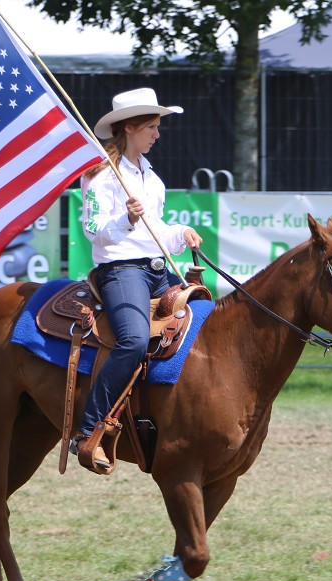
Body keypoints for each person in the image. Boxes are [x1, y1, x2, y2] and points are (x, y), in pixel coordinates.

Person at [73, 88, 202, 471]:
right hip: (120, 269)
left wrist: (181, 235)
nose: (157, 135)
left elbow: (156, 229)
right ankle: (88, 429)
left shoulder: (152, 179)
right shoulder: (100, 175)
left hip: (156, 268)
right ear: (129, 127)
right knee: (131, 340)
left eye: (157, 127)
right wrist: (124, 219)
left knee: (202, 320)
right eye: (151, 127)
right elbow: (93, 230)